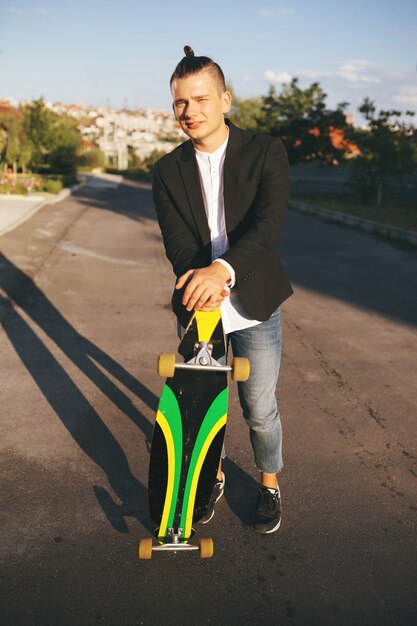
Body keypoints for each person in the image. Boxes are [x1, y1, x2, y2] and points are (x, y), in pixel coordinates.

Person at [152, 45, 293, 534]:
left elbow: (267, 226)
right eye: (179, 103)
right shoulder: (167, 170)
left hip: (254, 301)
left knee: (258, 408)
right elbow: (178, 242)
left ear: (226, 99)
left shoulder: (265, 151)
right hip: (198, 305)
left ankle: (269, 483)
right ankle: (209, 478)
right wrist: (202, 281)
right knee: (205, 406)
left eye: (200, 99)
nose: (189, 111)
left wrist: (222, 272)